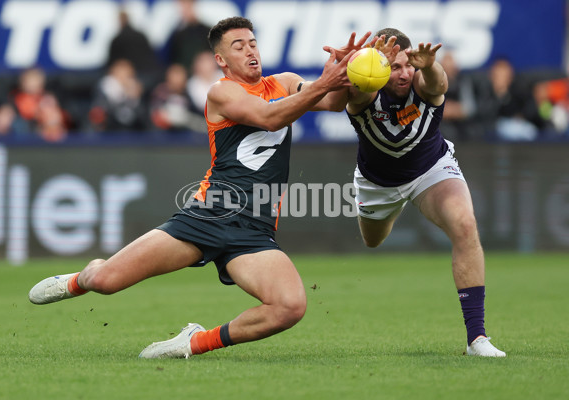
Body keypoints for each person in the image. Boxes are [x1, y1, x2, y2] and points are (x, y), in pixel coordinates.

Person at [28, 16, 356, 359]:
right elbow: (270, 117)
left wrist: (351, 73)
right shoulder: (221, 91)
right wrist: (325, 82)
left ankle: (194, 341)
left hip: (254, 228)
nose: (250, 51)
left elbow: (333, 104)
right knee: (107, 282)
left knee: (290, 307)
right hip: (208, 215)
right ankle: (82, 278)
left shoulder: (286, 83)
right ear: (221, 60)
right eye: (238, 46)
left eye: (253, 43)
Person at [326, 28, 506, 357]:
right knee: (373, 240)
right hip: (377, 183)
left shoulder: (424, 81)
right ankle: (390, 212)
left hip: (430, 170)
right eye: (395, 67)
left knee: (465, 225)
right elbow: (355, 94)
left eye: (408, 65)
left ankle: (477, 339)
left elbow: (438, 85)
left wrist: (430, 65)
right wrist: (362, 65)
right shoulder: (366, 92)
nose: (405, 72)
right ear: (378, 68)